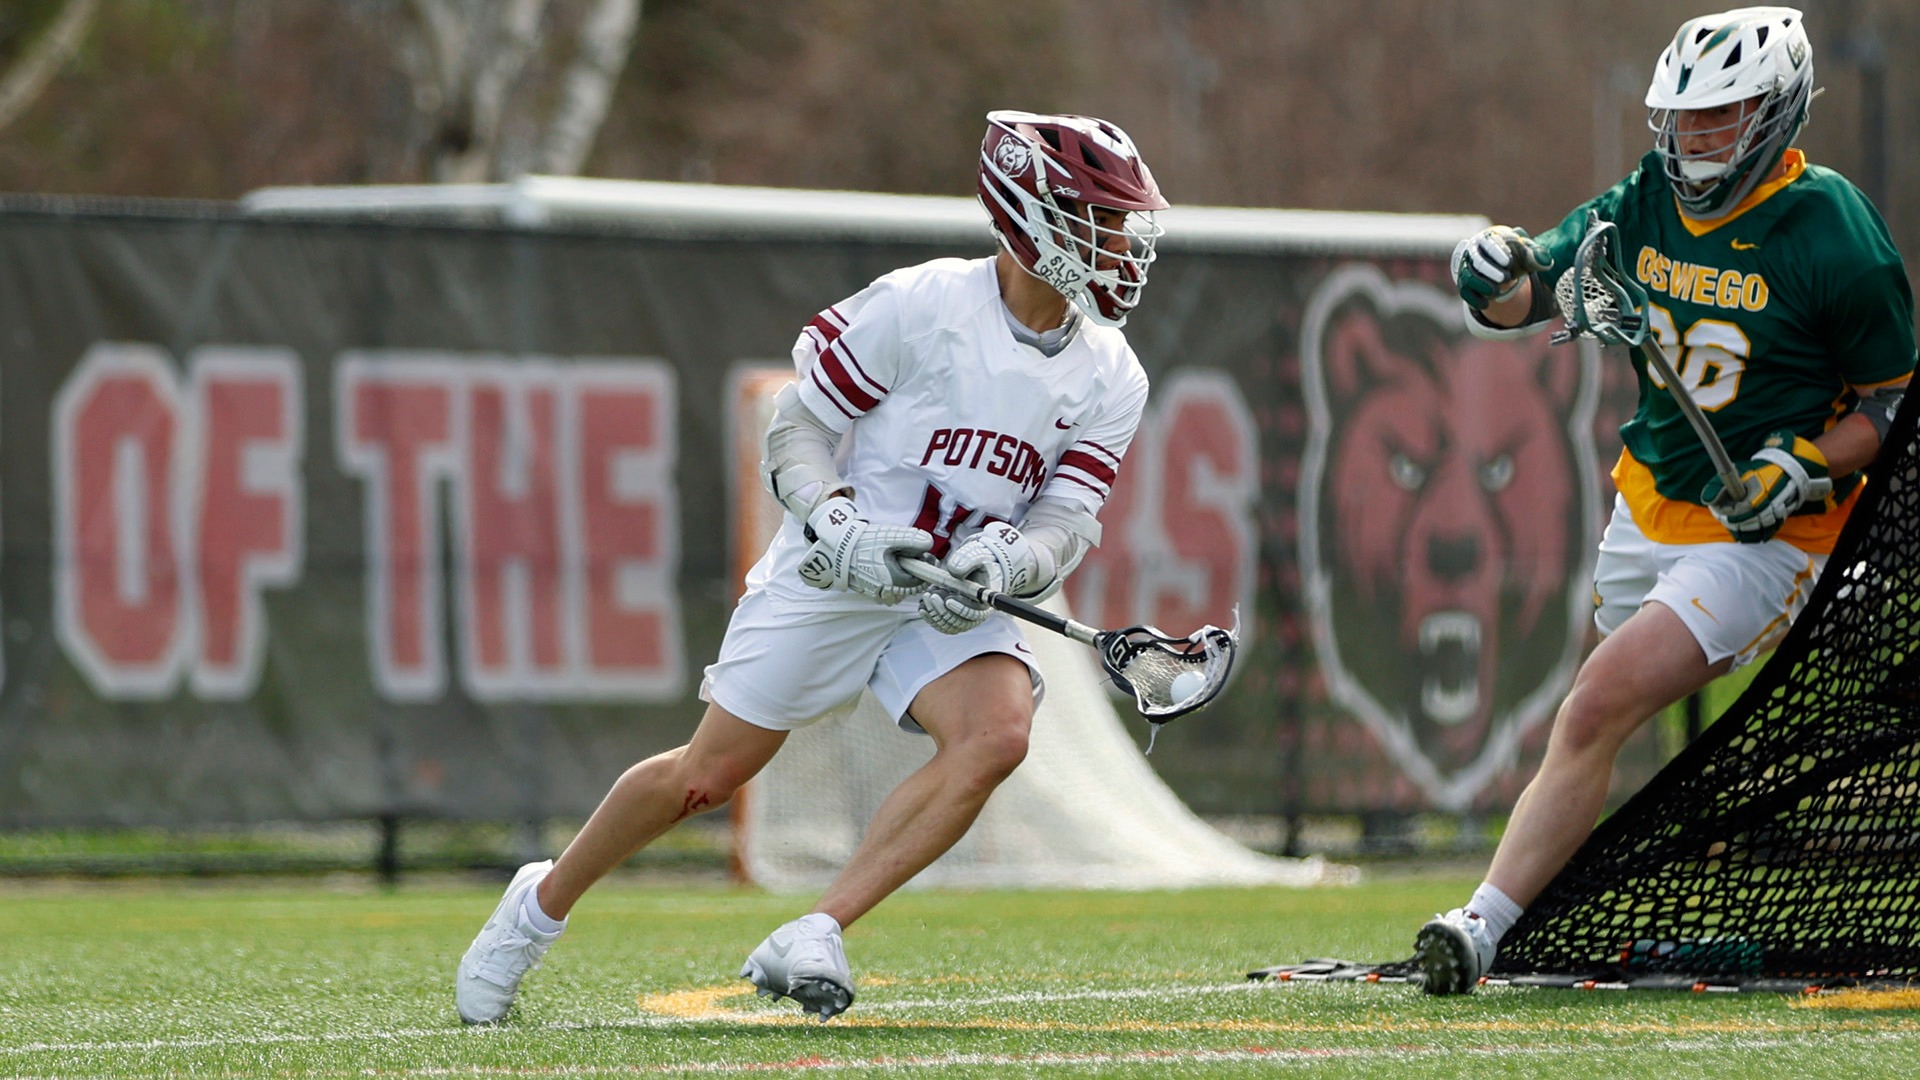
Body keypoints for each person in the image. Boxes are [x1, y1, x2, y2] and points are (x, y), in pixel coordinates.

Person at [454, 110, 1169, 1023]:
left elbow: (1066, 518)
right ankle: (536, 908)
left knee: (997, 734)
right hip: (839, 569)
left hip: (948, 595)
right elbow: (797, 431)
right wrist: (841, 526)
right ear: (1032, 215)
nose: (1121, 244)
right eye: (1101, 219)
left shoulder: (1112, 373)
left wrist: (1012, 561)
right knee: (705, 776)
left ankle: (815, 928)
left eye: (1124, 222)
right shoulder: (921, 305)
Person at [1416, 5, 1915, 994]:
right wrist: (1491, 275)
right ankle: (1537, 895)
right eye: (1684, 117)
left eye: (1720, 115)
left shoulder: (1833, 229)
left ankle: (1481, 926)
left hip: (1767, 534)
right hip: (1647, 503)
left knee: (1596, 703)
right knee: (1600, 713)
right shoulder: (1648, 197)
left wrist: (1805, 466)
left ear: (1775, 113)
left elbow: (1893, 407)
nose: (1694, 137)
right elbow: (1534, 290)